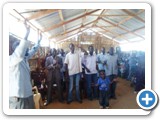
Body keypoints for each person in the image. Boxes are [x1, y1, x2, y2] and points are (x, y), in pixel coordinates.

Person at [9, 22, 42, 109]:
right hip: (18, 97)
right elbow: (20, 51)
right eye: (21, 47)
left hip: (27, 94)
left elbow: (33, 50)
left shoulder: (24, 58)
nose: (26, 49)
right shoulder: (11, 59)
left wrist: (39, 41)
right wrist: (27, 33)